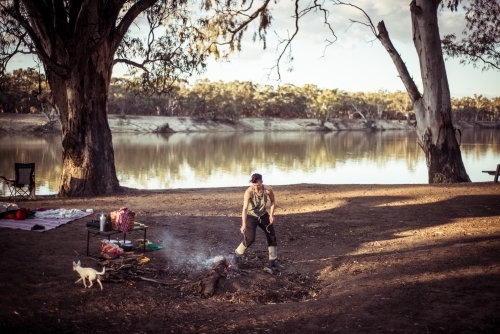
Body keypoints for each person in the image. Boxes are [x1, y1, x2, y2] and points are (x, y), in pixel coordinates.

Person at [233, 173, 285, 271]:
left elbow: (273, 202)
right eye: (254, 185)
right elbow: (244, 209)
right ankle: (236, 256)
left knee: (272, 236)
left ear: (262, 182)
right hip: (251, 217)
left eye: (258, 185)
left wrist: (271, 215)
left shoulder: (268, 190)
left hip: (263, 215)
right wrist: (243, 224)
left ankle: (273, 261)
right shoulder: (248, 192)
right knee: (250, 238)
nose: (256, 187)